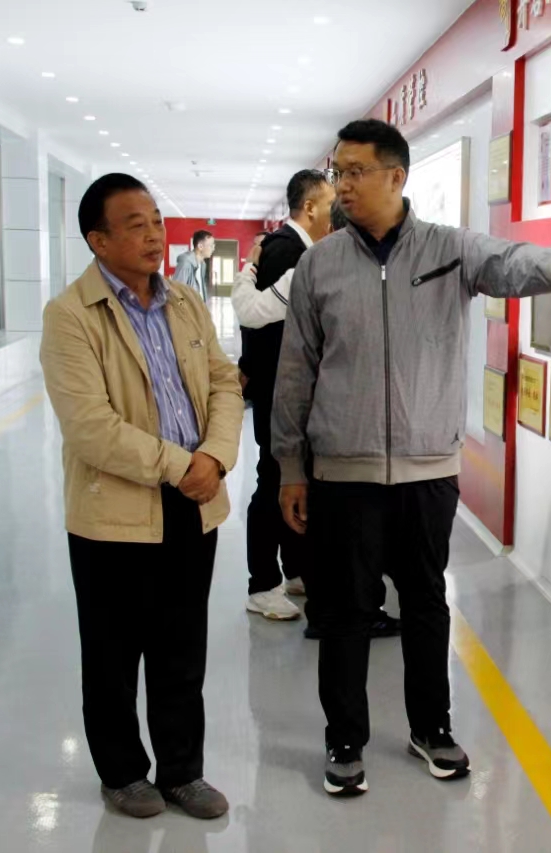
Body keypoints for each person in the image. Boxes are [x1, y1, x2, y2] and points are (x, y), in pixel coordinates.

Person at [272, 119, 551, 797]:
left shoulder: (448, 249)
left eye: (355, 172)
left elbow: (506, 259)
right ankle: (345, 739)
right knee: (345, 612)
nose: (342, 185)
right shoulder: (319, 265)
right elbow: (295, 370)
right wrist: (290, 466)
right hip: (343, 473)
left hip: (428, 472)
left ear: (396, 176)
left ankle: (431, 728)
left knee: (427, 603)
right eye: (338, 173)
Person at [40, 174, 242, 820]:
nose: (154, 234)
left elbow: (224, 382)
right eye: (135, 224)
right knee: (113, 650)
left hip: (193, 501)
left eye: (156, 220)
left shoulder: (184, 301)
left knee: (182, 646)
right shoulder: (71, 316)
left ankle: (183, 771)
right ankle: (123, 772)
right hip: (113, 515)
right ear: (97, 240)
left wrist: (216, 456)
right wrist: (182, 464)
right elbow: (90, 427)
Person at [231, 193, 403, 638]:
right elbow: (255, 316)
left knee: (297, 490)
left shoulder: (299, 255)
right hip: (298, 401)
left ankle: (303, 579)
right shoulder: (301, 259)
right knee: (281, 485)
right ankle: (275, 585)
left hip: (308, 402)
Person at [233, 169, 333, 623]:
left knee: (293, 479)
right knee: (273, 480)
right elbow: (259, 323)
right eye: (331, 203)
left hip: (284, 389)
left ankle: (294, 569)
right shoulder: (287, 252)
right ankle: (261, 583)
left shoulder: (289, 249)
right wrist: (258, 375)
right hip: (279, 391)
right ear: (309, 207)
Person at [173, 230, 214, 301]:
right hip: (188, 307)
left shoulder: (203, 265)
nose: (213, 249)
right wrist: (182, 306)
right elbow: (176, 291)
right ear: (200, 246)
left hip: (198, 306)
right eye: (211, 246)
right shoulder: (186, 262)